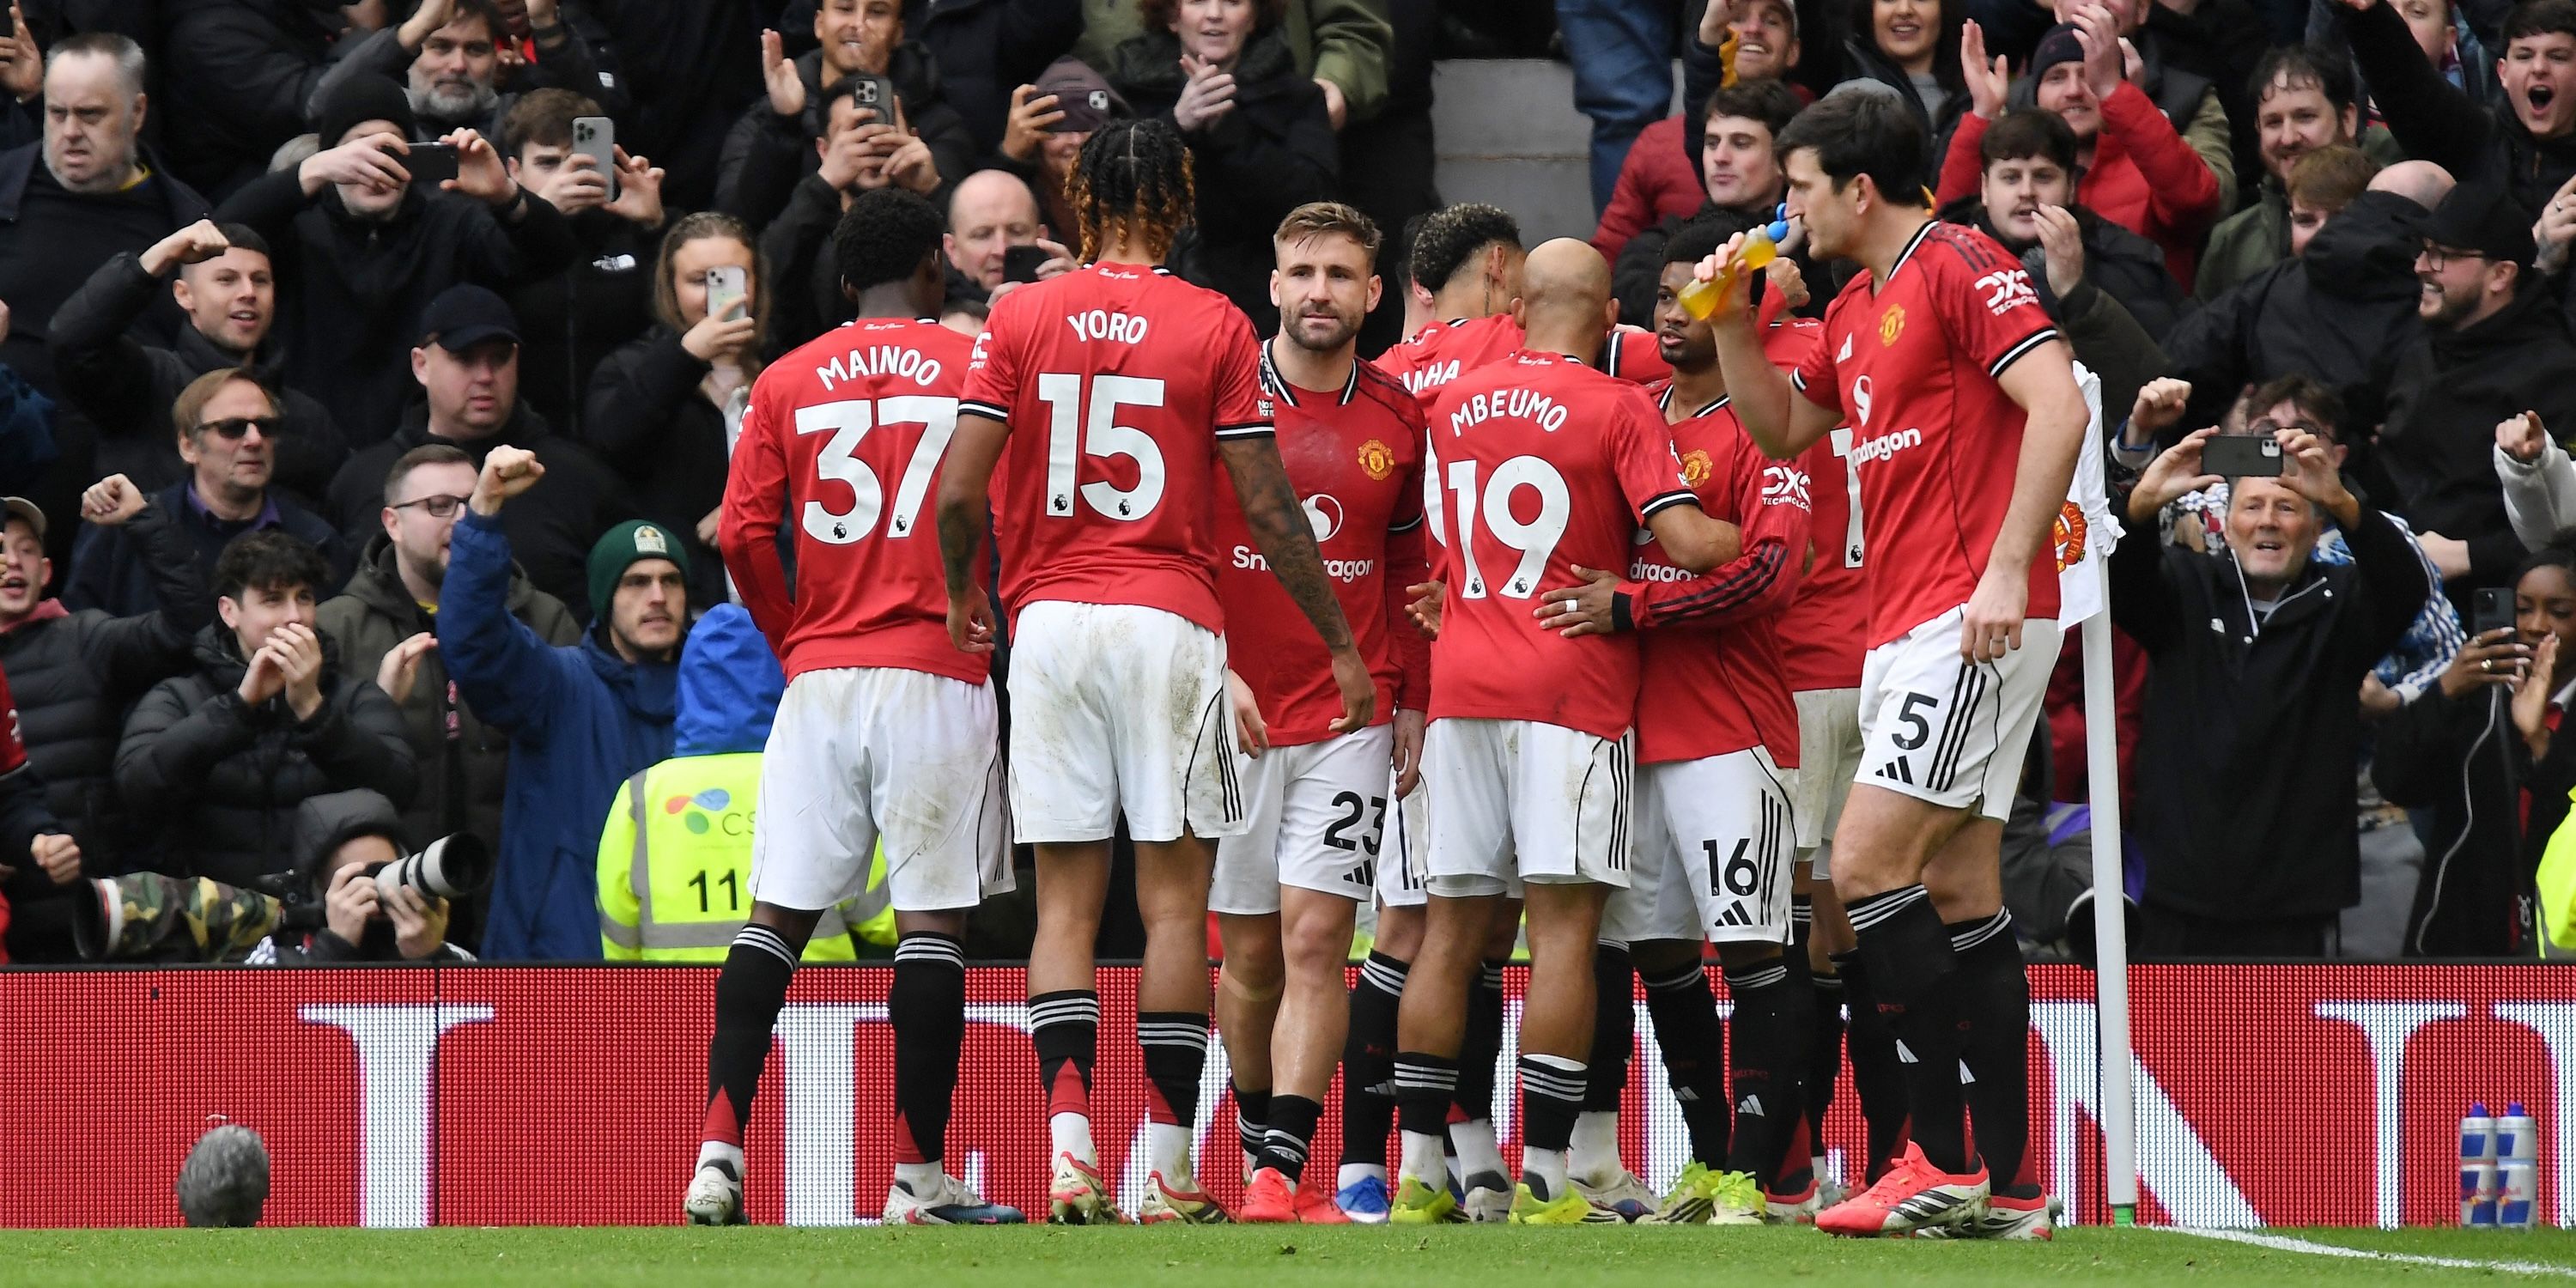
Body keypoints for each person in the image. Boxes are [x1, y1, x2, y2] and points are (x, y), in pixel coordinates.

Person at [934, 117, 1370, 1224]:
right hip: (1168, 621)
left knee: (1066, 907)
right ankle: (1171, 1169)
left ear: (1081, 202)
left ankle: (1072, 1156)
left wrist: (963, 592)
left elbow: (955, 488)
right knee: (1176, 907)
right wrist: (1335, 640)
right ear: (1176, 203)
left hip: (1051, 626)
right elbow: (1267, 507)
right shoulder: (1215, 323)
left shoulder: (1021, 312)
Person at [1693, 88, 2087, 1236]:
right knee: (1961, 889)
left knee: (1862, 869)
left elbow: (2057, 407)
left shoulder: (1959, 263)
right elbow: (1779, 430)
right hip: (1911, 620)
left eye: (1801, 187)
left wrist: (2010, 569)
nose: (1787, 207)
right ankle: (2010, 1184)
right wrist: (1731, 316)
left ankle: (1939, 1158)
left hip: (1971, 612)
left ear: (1857, 188)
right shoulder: (1859, 300)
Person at [1384, 238, 1739, 1227]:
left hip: (1461, 681)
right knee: (1565, 933)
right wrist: (1759, 526)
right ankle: (1546, 1172)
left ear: (1519, 302)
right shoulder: (1617, 405)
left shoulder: (1450, 403)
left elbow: (1438, 550)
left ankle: (1421, 1173)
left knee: (1451, 931)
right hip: (1569, 690)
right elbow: (1685, 543)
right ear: (1608, 311)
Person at [690, 188, 1020, 1227]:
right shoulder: (976, 367)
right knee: (930, 926)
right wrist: (984, 606)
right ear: (936, 266)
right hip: (935, 667)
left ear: (841, 282)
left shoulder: (785, 380)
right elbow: (1000, 510)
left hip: (822, 676)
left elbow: (742, 537)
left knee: (776, 918)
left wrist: (798, 640)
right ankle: (917, 1179)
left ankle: (715, 1156)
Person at [1544, 215, 1822, 1225]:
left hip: (1729, 728)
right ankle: (1715, 1169)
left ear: (1741, 309)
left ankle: (1767, 1179)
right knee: (1657, 957)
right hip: (1624, 732)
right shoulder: (1628, 413)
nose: (1671, 313)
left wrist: (1637, 604)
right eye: (1660, 297)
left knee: (1753, 952)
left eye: (1694, 297)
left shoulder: (1767, 424)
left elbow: (1768, 575)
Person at [1208, 203, 1428, 1225]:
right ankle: (1261, 1145)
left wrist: (1413, 695)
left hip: (1352, 714)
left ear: (1375, 294)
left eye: (1342, 274)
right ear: (1274, 282)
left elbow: (1407, 566)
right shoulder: (1220, 395)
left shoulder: (1398, 417)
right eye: (1303, 272)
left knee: (1314, 943)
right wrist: (1212, 663)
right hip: (1234, 710)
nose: (1320, 293)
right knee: (1247, 961)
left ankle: (1277, 1173)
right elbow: (1177, 545)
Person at [2114, 421, 2429, 957]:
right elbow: (2117, 581)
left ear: (2315, 525)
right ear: (2227, 523)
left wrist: (2346, 501)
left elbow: (2407, 585)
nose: (2268, 521)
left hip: (2294, 904)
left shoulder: (2343, 604)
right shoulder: (2183, 587)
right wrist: (2140, 508)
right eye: (2253, 506)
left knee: (2284, 1045)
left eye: (2287, 507)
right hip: (2179, 894)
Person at [215, 74, 578, 443]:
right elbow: (218, 239)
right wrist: (312, 172)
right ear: (333, 156)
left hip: (427, 446)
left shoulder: (451, 223)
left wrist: (506, 196)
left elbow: (552, 255)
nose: (377, 167)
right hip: (310, 440)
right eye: (360, 151)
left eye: (392, 150)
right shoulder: (297, 227)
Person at [316, 443, 580, 950]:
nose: (463, 518)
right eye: (440, 505)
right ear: (391, 523)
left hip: (519, 899)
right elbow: (315, 783)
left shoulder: (542, 619)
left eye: (475, 500)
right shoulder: (335, 629)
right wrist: (375, 712)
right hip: (388, 911)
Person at [439, 446, 685, 959]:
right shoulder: (559, 685)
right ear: (604, 598)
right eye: (637, 583)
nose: (658, 597)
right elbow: (474, 641)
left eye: (671, 581)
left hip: (683, 972)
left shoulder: (718, 700)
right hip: (556, 968)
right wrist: (482, 513)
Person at [114, 530, 416, 896]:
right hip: (217, 918)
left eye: (303, 598)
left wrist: (313, 710)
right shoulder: (179, 696)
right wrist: (238, 708)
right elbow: (137, 789)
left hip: (328, 915)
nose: (295, 617)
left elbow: (400, 786)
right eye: (273, 600)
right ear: (230, 612)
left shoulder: (352, 695)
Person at [325, 285, 632, 623]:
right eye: (465, 359)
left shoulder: (576, 477)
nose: (485, 376)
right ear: (420, 365)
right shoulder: (362, 479)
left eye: (499, 358)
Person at [0, 483, 211, 961]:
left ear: (47, 571)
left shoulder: (84, 638)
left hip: (87, 918)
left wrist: (144, 522)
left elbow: (189, 626)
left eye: (27, 551)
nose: (13, 562)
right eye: (0, 550)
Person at [597, 605, 862, 963]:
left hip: (678, 1005)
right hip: (806, 1003)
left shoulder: (642, 794)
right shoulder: (815, 778)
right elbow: (882, 916)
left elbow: (618, 929)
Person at [50, 218, 349, 505]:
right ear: (184, 295)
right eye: (226, 280)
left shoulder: (309, 419)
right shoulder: (145, 381)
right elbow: (73, 340)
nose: (247, 293)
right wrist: (156, 259)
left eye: (260, 281)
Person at [2379, 180, 2576, 604]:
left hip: (2495, 605)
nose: (2420, 266)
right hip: (2397, 584)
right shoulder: (2419, 349)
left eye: (2442, 255)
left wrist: (2467, 556)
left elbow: (2566, 527)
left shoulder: (2555, 374)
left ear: (2501, 275)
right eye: (2423, 249)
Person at [2374, 544, 2576, 955]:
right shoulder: (2477, 698)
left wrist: (2537, 736)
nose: (2537, 626)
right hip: (2464, 938)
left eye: (2559, 612)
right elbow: (2397, 780)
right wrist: (2447, 690)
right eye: (2522, 609)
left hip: (2556, 945)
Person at [2161, 160, 2454, 438]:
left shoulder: (2271, 286)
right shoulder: (2443, 301)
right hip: (2368, 480)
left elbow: (2181, 365)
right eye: (2303, 219)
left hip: (2268, 470)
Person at [0, 33, 208, 404]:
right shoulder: (5, 189)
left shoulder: (185, 223)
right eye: (57, 113)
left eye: (90, 114)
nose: (71, 132)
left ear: (137, 112)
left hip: (129, 442)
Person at [1109, 0, 1340, 330]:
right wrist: (1176, 123)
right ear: (1173, 16)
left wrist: (1228, 130)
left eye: (1232, 2)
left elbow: (1314, 203)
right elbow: (1108, 193)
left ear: (1254, 18)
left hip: (1259, 310)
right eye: (1197, 0)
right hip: (1143, 309)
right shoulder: (1126, 92)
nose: (1214, 13)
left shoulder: (1298, 99)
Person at [1940, 17, 2219, 285]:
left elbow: (2195, 204)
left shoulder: (2151, 166)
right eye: (2056, 77)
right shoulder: (2017, 168)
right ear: (2035, 93)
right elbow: (1943, 233)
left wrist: (2116, 93)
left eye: (2088, 76)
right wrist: (1983, 114)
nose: (2073, 90)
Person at [580, 211, 767, 611]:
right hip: (681, 604)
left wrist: (752, 503)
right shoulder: (630, 367)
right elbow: (612, 443)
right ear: (671, 287)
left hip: (778, 601)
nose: (717, 296)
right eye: (700, 281)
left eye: (734, 279)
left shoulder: (784, 371)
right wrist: (685, 357)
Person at [64, 368, 344, 620]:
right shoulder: (126, 529)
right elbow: (81, 644)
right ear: (188, 446)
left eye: (266, 427)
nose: (255, 440)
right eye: (232, 428)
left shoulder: (316, 540)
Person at [497, 88, 667, 437]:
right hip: (524, 443)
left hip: (630, 438)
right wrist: (538, 219)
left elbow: (676, 327)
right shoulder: (494, 241)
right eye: (548, 163)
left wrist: (654, 229)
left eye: (581, 162)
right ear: (514, 170)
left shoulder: (636, 234)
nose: (566, 177)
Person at [1935, 107, 2186, 342]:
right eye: (2011, 178)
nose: (2027, 192)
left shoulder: (2125, 260)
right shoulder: (1941, 263)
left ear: (2071, 188)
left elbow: (2158, 363)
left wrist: (2076, 293)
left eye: (2043, 177)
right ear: (1985, 188)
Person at [718, 0, 975, 228]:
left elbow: (966, 238)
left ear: (898, 32)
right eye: (844, 8)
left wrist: (930, 188)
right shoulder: (767, 119)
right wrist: (783, 125)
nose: (859, 24)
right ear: (819, 23)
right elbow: (736, 226)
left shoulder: (937, 124)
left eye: (877, 11)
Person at [1379, 203, 1669, 401]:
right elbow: (1670, 356)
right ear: (1497, 262)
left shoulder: (1382, 372)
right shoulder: (1517, 337)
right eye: (1526, 268)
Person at [2334, 0, 2576, 222]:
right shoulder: (2479, 139)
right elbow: (2407, 86)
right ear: (2503, 73)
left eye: (2558, 57)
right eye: (2524, 56)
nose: (2539, 68)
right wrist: (2364, 14)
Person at [2195, 46, 2381, 300]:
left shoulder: (2391, 209)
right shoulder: (2231, 241)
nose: (2288, 138)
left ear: (2347, 119)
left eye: (2305, 117)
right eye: (2273, 122)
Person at [1612, 82, 1802, 329]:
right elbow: (1658, 318)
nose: (1720, 157)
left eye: (1741, 143)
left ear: (1783, 162)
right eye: (1712, 143)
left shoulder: (1817, 247)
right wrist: (1761, 266)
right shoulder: (1656, 246)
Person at [307, 0, 609, 143]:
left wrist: (545, 23)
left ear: (496, 58)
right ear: (412, 52)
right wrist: (416, 28)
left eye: (476, 49)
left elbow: (591, 126)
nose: (458, 65)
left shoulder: (518, 119)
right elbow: (320, 110)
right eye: (440, 46)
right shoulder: (380, 119)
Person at [246, 788, 472, 963]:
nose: (374, 888)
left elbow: (484, 1019)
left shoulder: (448, 954)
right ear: (319, 888)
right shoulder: (275, 953)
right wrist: (332, 948)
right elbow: (259, 1019)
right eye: (359, 877)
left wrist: (430, 958)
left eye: (384, 871)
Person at [160, 0, 355, 201]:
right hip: (246, 203)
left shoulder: (277, 11)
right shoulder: (209, 34)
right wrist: (370, 39)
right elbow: (309, 107)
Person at [942, 168, 1073, 307]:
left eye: (1017, 232)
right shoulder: (933, 320)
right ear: (953, 250)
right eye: (983, 235)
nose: (1001, 249)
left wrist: (1083, 296)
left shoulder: (1064, 295)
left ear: (1042, 239)